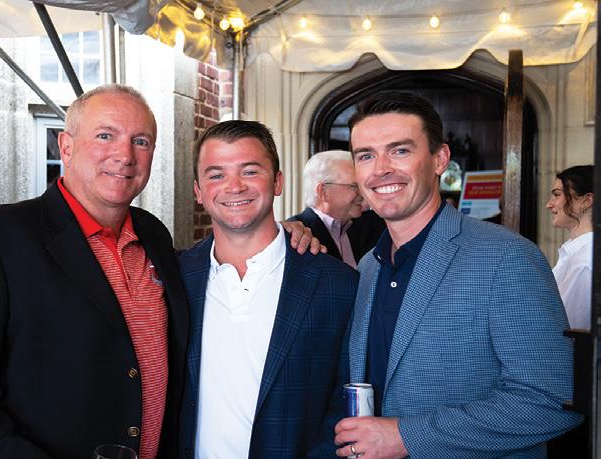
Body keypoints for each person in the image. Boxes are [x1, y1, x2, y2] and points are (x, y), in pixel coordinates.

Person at [0, 85, 189, 459]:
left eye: (140, 141)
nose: (124, 155)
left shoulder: (154, 234)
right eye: (105, 135)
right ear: (66, 147)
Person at [333, 91, 582, 458]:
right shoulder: (370, 265)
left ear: (440, 159)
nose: (381, 168)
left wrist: (406, 436)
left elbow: (553, 399)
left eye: (399, 151)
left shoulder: (505, 257)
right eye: (366, 156)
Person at [178, 120, 358, 458]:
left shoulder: (339, 285)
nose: (234, 186)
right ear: (198, 191)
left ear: (277, 182)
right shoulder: (175, 278)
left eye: (250, 171)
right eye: (216, 175)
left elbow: (346, 402)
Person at [289, 150, 386, 268]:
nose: (362, 193)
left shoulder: (368, 226)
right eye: (354, 186)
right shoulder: (297, 235)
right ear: (323, 192)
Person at [546, 164, 593, 330]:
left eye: (557, 195)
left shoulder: (584, 261)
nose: (549, 204)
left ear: (587, 200)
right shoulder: (575, 252)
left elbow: (567, 329)